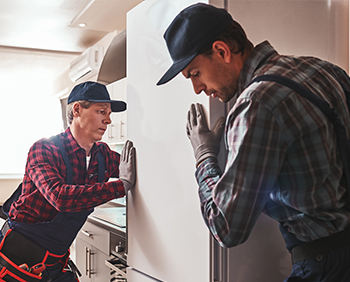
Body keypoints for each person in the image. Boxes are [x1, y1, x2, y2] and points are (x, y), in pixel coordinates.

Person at [157, 3, 350, 282]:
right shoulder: (325, 70)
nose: (197, 89)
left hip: (323, 266)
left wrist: (204, 156)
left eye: (195, 73)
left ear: (222, 51)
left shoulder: (256, 103)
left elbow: (226, 227)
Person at [0, 81, 136, 282]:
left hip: (54, 261)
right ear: (77, 110)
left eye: (109, 114)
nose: (108, 120)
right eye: (101, 111)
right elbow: (60, 197)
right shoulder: (44, 149)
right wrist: (121, 186)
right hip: (17, 260)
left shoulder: (103, 155)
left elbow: (137, 170)